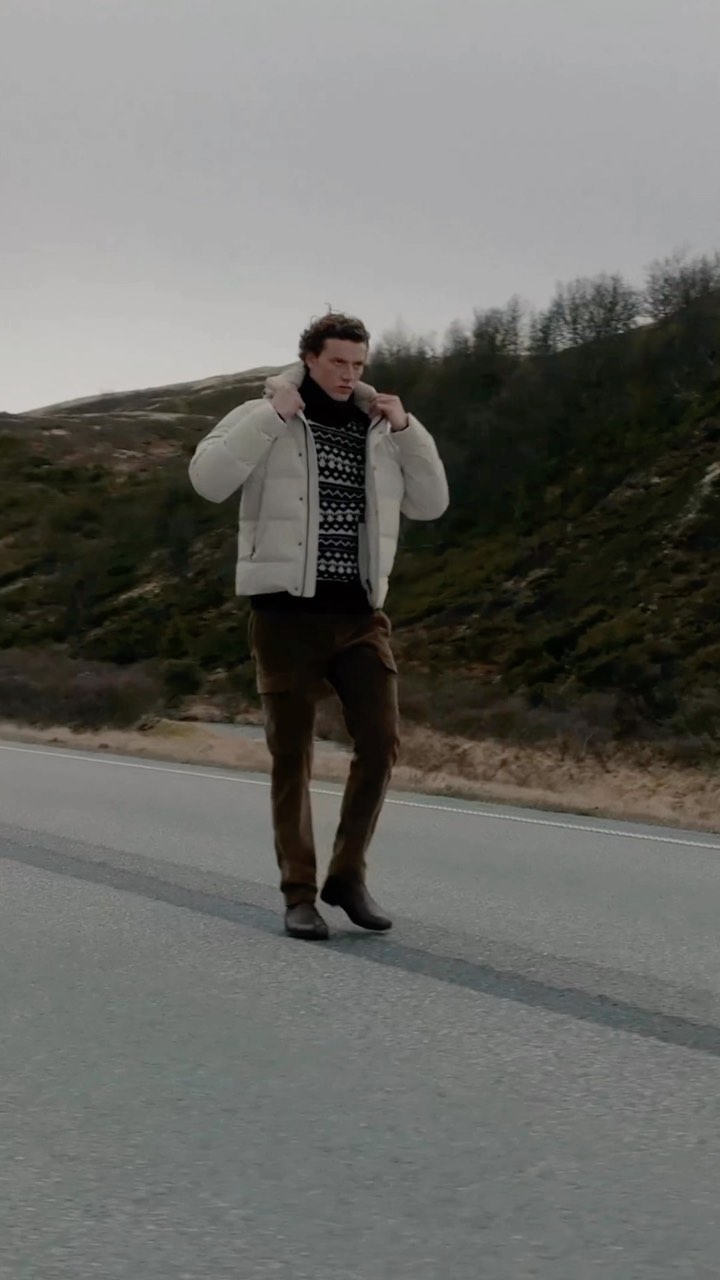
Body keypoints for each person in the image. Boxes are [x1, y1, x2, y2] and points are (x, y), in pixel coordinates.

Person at [189, 313, 449, 940]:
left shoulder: (379, 428)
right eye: (338, 362)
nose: (349, 375)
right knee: (292, 756)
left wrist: (407, 429)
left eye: (358, 364)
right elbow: (209, 480)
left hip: (360, 616)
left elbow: (432, 503)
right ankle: (299, 893)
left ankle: (347, 875)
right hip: (285, 616)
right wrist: (270, 416)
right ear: (309, 358)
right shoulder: (265, 413)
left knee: (381, 743)